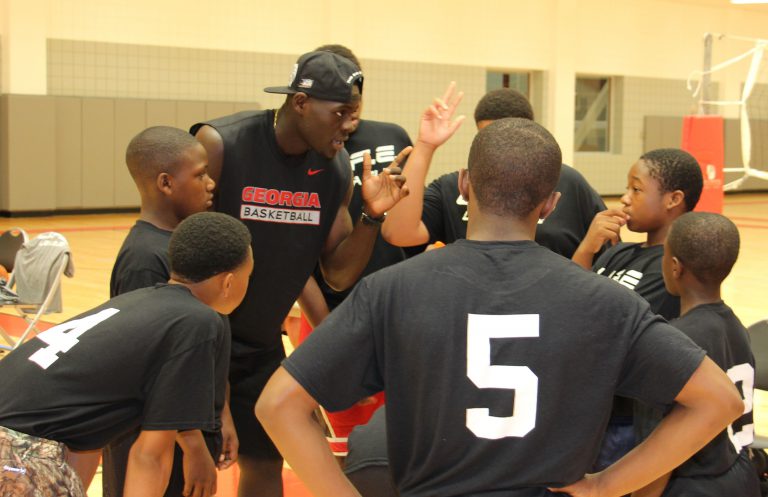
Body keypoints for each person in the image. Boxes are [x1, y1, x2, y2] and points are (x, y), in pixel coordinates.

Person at [255, 115, 743, 497]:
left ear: (465, 186)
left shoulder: (392, 289)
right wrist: (607, 485)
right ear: (550, 204)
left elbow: (277, 405)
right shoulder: (606, 301)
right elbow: (719, 401)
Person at [191, 50, 409, 497]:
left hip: (259, 346)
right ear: (301, 104)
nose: (351, 125)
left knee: (265, 469)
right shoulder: (222, 144)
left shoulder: (333, 171)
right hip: (195, 340)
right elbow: (179, 253)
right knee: (188, 472)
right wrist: (214, 387)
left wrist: (371, 216)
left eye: (356, 114)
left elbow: (336, 274)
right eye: (342, 113)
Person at [0, 212, 252, 497]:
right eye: (249, 276)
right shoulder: (199, 321)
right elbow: (150, 456)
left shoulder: (140, 302)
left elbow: (84, 441)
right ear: (229, 282)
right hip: (16, 449)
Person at [293, 43, 414, 457]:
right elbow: (297, 257)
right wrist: (331, 338)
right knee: (345, 442)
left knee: (399, 439)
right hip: (331, 313)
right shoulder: (304, 150)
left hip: (395, 309)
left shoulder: (391, 136)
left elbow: (408, 226)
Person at [105, 126, 237, 497]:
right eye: (200, 175)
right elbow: (153, 367)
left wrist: (222, 413)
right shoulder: (145, 258)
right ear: (165, 183)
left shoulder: (186, 247)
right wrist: (192, 443)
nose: (211, 183)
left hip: (194, 423)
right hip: (160, 439)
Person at [572, 148, 704, 471]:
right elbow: (568, 302)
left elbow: (606, 325)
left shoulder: (672, 270)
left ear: (673, 200)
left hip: (627, 417)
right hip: (594, 409)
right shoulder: (618, 252)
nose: (625, 199)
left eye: (636, 189)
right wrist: (586, 249)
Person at [381, 87, 606, 259]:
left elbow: (602, 256)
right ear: (464, 185)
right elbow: (399, 233)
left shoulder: (568, 183)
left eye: (509, 138)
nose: (499, 147)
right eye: (488, 137)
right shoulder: (452, 187)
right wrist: (425, 146)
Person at [632, 212, 760, 497]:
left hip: (692, 486)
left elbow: (656, 457)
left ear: (675, 267)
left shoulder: (672, 342)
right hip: (740, 478)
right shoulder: (737, 327)